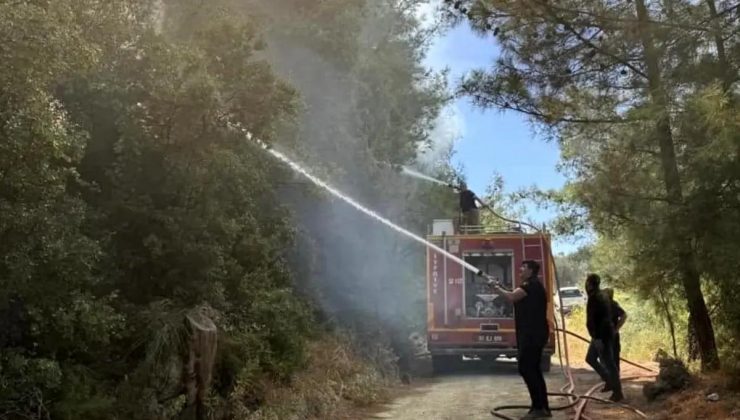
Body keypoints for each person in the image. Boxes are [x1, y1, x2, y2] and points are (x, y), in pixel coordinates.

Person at [490, 260, 551, 419]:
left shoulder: (531, 285)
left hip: (532, 335)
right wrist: (499, 286)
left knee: (526, 368)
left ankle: (539, 408)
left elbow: (511, 296)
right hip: (534, 334)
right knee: (534, 370)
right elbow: (514, 293)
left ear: (531, 270)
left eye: (523, 267)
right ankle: (542, 407)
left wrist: (495, 288)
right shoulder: (531, 284)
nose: (520, 269)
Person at [585, 274, 624, 401]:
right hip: (602, 334)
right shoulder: (602, 295)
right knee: (590, 358)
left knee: (610, 363)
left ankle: (618, 393)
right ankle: (609, 381)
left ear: (590, 284)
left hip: (602, 336)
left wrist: (598, 338)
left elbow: (596, 320)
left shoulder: (596, 298)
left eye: (587, 282)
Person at [603, 288, 627, 375]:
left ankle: (614, 376)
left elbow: (624, 315)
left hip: (611, 335)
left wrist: (616, 329)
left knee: (613, 355)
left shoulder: (613, 305)